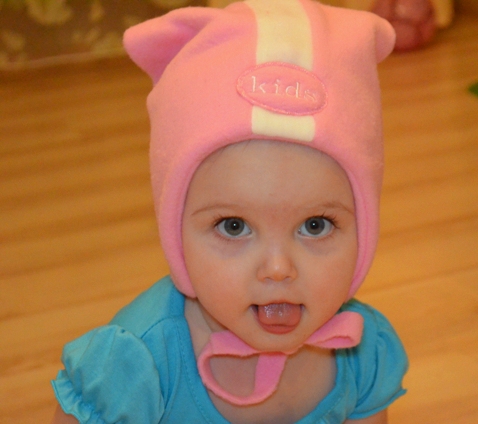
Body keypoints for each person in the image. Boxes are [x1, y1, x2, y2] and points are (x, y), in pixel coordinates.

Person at [50, 1, 408, 422]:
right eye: (234, 226)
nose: (278, 268)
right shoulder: (136, 368)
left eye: (315, 225)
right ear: (174, 231)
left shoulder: (364, 351)